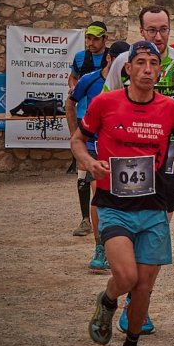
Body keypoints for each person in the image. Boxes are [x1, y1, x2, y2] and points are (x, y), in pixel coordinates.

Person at [74, 40, 174, 346]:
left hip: (154, 207)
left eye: (154, 64)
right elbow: (78, 138)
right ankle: (107, 301)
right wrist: (88, 161)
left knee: (144, 287)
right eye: (141, 63)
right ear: (127, 68)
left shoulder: (169, 109)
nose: (147, 69)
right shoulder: (105, 103)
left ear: (160, 70)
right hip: (113, 205)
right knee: (126, 276)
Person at [104, 5, 174, 333]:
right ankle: (122, 287)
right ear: (141, 32)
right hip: (130, 160)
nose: (158, 36)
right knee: (132, 226)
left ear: (171, 29)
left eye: (163, 29)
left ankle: (137, 305)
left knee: (157, 229)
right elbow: (105, 107)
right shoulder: (126, 64)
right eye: (151, 30)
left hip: (169, 161)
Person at [67, 40, 131, 270]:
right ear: (109, 58)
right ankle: (99, 247)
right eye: (120, 61)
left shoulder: (131, 84)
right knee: (98, 193)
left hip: (122, 146)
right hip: (94, 144)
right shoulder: (90, 79)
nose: (124, 67)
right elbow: (70, 102)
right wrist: (75, 131)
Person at [67, 21, 109, 237]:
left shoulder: (112, 58)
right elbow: (73, 77)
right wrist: (74, 86)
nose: (91, 43)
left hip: (106, 124)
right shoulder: (80, 58)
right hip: (84, 120)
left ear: (104, 39)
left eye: (95, 39)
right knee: (82, 174)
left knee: (99, 175)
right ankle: (85, 219)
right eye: (88, 38)